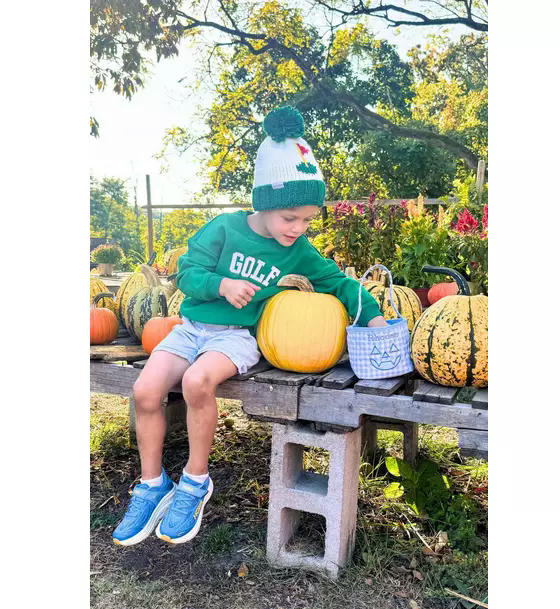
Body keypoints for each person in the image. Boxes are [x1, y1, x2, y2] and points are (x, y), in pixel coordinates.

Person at [112, 106, 387, 547]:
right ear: (265, 204)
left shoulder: (298, 251)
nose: (298, 229)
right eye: (290, 218)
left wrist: (373, 316)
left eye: (307, 220)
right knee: (145, 390)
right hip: (191, 329)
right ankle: (151, 485)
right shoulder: (224, 229)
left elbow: (339, 282)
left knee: (198, 382)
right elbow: (187, 273)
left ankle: (195, 482)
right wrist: (221, 285)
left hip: (237, 338)